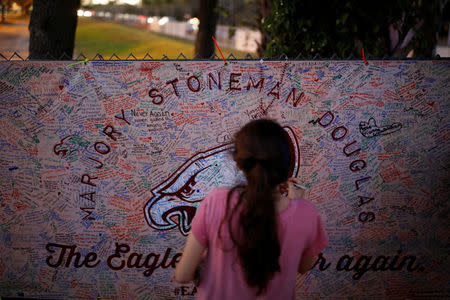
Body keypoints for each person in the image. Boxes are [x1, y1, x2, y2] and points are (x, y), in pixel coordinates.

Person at [174, 119, 328, 299]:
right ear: (285, 165)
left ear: (239, 164)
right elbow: (304, 266)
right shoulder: (306, 213)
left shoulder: (216, 201)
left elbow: (183, 275)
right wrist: (297, 205)